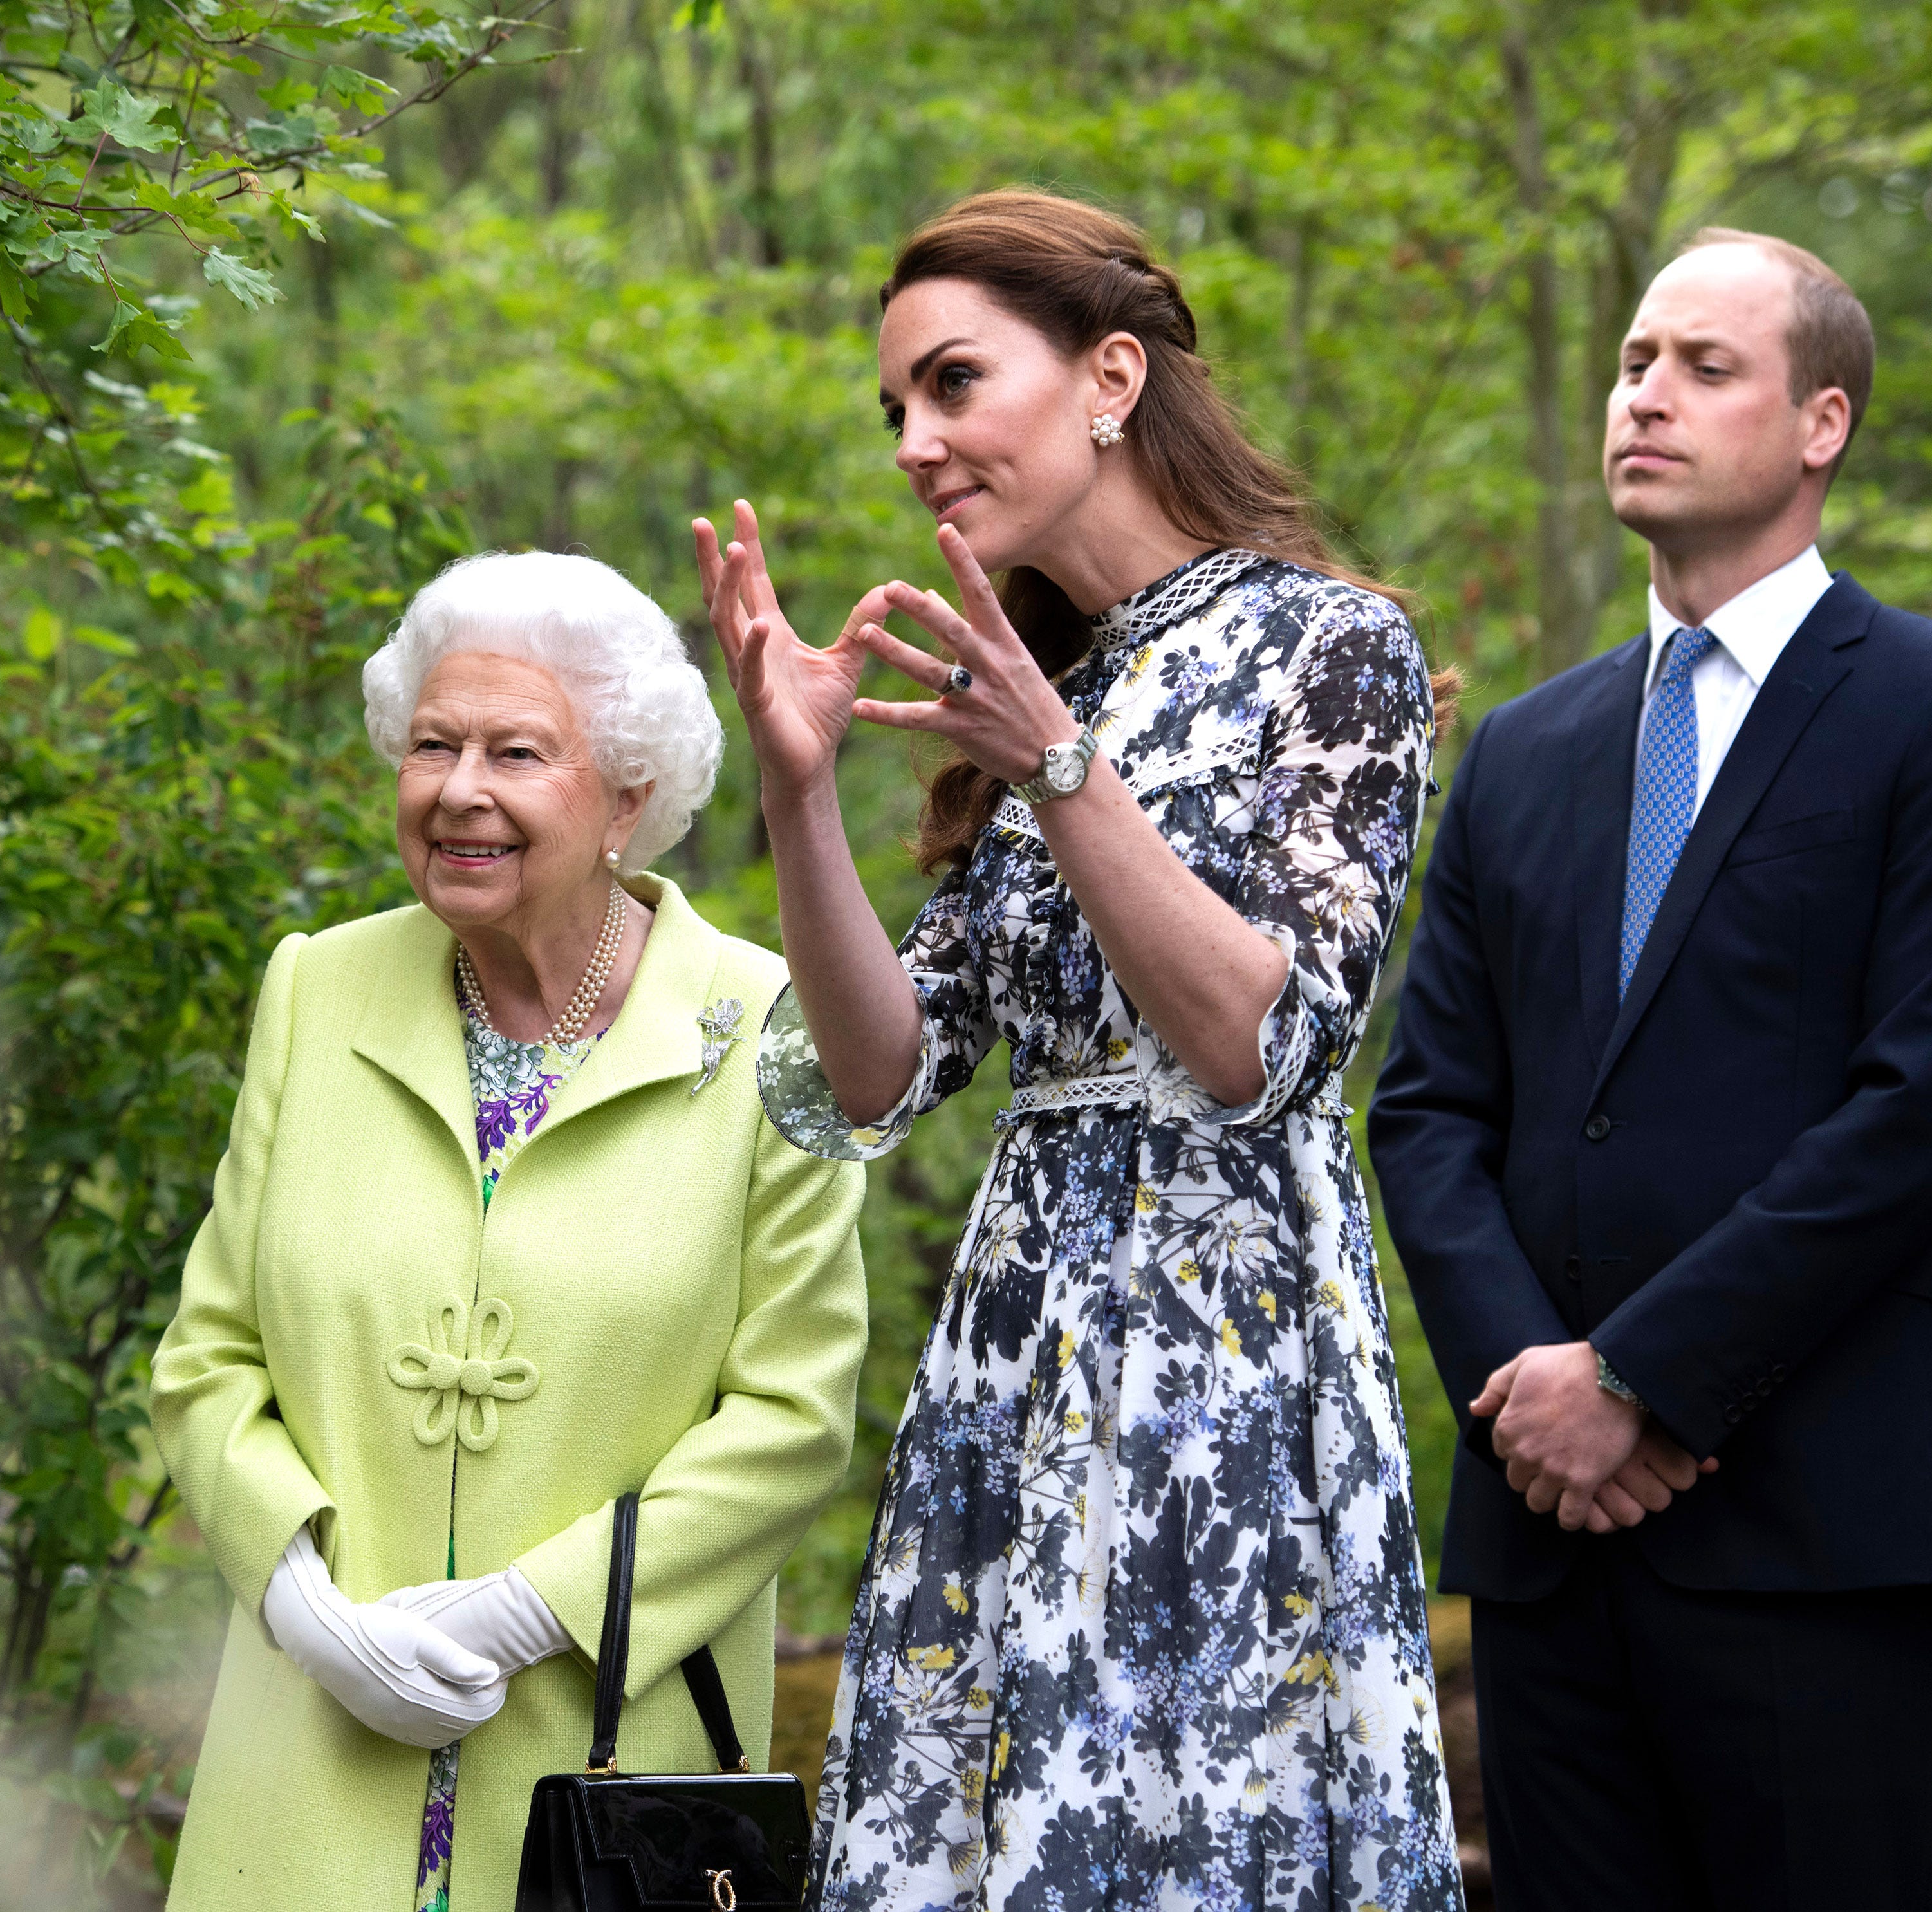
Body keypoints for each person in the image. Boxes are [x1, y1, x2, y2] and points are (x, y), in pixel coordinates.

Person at [698, 188, 1464, 1909]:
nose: (913, 440)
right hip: (1013, 1352)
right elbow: (874, 1075)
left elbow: (1259, 1038)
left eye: (952, 383)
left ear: (1108, 375)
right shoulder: (1039, 688)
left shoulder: (1329, 648)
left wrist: (1061, 768)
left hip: (1223, 1372)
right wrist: (796, 785)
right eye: (892, 408)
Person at [1371, 228, 1932, 1909]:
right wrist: (1532, 1392)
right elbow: (1427, 1106)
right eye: (1632, 360)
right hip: (1545, 1530)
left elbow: (1923, 1099)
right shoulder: (1521, 748)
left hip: (1816, 1519)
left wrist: (1636, 1377)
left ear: (1819, 424)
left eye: (1701, 367)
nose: (1641, 391)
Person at [148, 550, 870, 1912]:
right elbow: (207, 1356)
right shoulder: (317, 989)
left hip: (598, 1781)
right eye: (432, 745)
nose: (458, 790)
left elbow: (793, 1416)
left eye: (516, 751)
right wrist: (307, 1608)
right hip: (311, 1754)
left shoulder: (771, 1025)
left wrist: (522, 1610)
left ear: (629, 796)